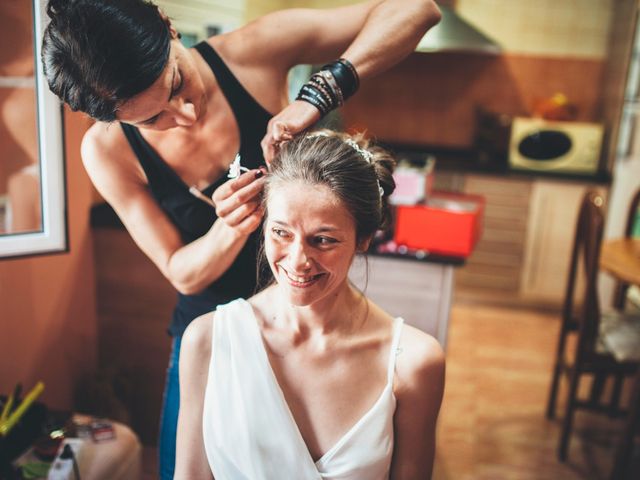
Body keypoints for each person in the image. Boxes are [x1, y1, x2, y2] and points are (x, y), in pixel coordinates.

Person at [41, 0, 442, 476]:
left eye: (176, 84)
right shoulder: (107, 152)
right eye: (152, 120)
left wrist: (316, 96)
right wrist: (230, 227)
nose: (185, 114)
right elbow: (181, 272)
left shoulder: (255, 52)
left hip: (314, 317)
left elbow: (416, 10)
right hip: (215, 334)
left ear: (170, 30)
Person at [175, 131, 446, 479]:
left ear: (364, 238)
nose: (299, 261)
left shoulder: (413, 362)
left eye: (323, 240)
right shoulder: (207, 341)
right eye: (281, 233)